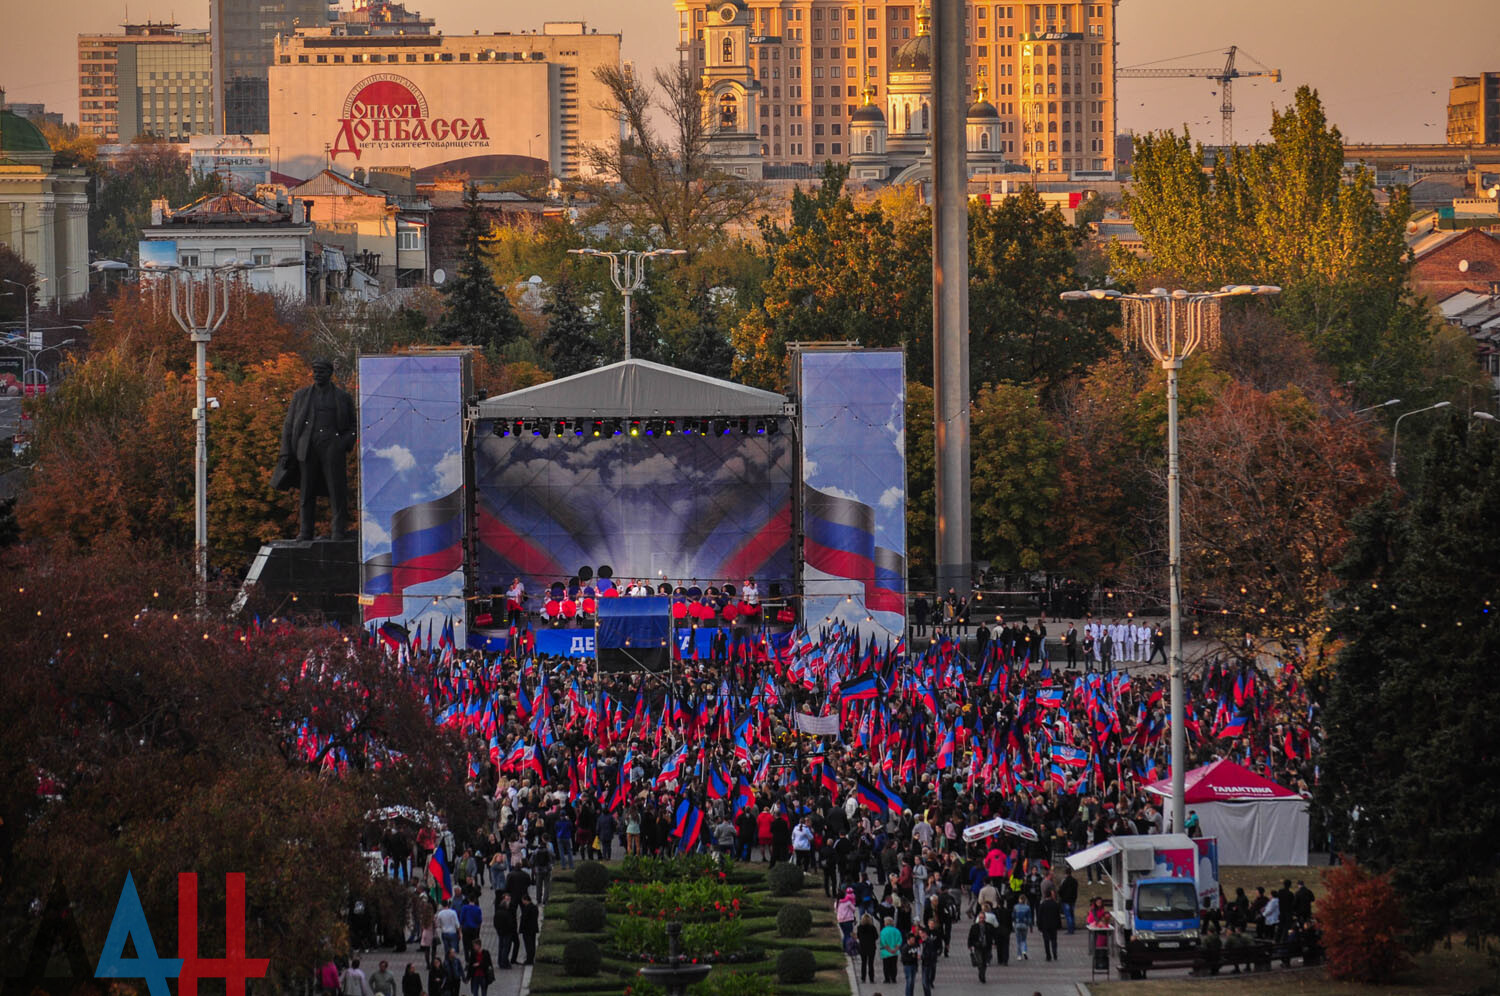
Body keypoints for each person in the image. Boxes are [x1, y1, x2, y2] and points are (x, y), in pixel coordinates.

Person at [277, 358, 357, 541]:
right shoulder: (301, 396)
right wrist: (286, 451)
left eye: (321, 372)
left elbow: (354, 424)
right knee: (307, 490)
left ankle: (338, 530)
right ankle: (306, 531)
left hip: (332, 447)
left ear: (330, 374)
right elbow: (288, 426)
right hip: (308, 448)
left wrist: (343, 443)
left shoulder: (342, 397)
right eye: (315, 371)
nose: (317, 375)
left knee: (337, 490)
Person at [966, 910, 992, 983]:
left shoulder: (989, 926)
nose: (981, 919)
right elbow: (970, 936)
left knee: (985, 961)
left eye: (983, 918)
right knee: (980, 961)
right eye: (980, 918)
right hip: (977, 946)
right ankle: (982, 975)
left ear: (985, 918)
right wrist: (970, 945)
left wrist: (993, 942)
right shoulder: (974, 927)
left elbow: (992, 935)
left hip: (986, 946)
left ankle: (982, 973)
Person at [492, 893, 516, 970]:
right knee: (506, 947)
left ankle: (500, 961)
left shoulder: (497, 912)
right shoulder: (507, 913)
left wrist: (498, 930)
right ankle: (504, 962)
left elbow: (495, 923)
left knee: (501, 947)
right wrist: (510, 930)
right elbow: (510, 923)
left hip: (500, 932)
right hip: (507, 933)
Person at [920, 918, 943, 996]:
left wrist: (940, 949)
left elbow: (939, 940)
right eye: (930, 923)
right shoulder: (926, 931)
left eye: (933, 923)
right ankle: (927, 981)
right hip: (927, 954)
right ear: (928, 924)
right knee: (927, 969)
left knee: (933, 968)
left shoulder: (937, 932)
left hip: (934, 952)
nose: (932, 925)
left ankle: (931, 981)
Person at [1036, 892, 1062, 961]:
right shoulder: (1055, 904)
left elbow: (1039, 917)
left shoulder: (1042, 905)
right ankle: (1054, 953)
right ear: (1051, 896)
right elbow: (1058, 916)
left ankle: (1048, 955)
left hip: (1045, 926)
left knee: (1046, 941)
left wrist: (1039, 926)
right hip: (1053, 925)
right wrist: (1059, 925)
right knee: (1054, 940)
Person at [856, 912, 880, 983]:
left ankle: (863, 978)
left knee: (863, 963)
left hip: (862, 947)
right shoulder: (872, 928)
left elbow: (858, 936)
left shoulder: (859, 927)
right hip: (871, 947)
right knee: (871, 963)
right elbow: (876, 937)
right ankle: (871, 978)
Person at [878, 915, 902, 984]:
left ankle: (887, 979)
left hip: (886, 952)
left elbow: (883, 942)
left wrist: (889, 949)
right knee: (894, 965)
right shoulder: (896, 930)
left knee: (886, 966)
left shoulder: (883, 931)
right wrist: (895, 949)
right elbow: (899, 940)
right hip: (895, 952)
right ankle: (893, 978)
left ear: (886, 923)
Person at [518, 894, 539, 965]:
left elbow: (524, 920)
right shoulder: (534, 907)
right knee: (532, 944)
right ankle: (531, 959)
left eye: (523, 901)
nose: (522, 902)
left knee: (528, 945)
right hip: (533, 929)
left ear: (525, 900)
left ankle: (529, 960)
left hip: (527, 930)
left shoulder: (527, 908)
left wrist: (520, 930)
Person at [900, 925, 921, 996]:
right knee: (909, 981)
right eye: (912, 940)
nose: (913, 941)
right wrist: (912, 958)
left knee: (912, 982)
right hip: (908, 966)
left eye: (914, 939)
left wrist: (918, 957)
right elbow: (903, 959)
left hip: (914, 966)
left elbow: (918, 952)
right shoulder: (905, 948)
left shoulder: (915, 945)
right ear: (908, 940)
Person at [1012, 893, 1033, 961]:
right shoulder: (1027, 907)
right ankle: (1024, 950)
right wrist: (1030, 927)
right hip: (1025, 924)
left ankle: (1019, 955)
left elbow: (1013, 916)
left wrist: (1014, 923)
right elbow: (1030, 918)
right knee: (1024, 939)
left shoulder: (1015, 907)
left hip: (1017, 924)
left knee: (1018, 941)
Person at [1058, 866, 1079, 934]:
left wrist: (1061, 897)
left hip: (1066, 900)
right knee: (1072, 914)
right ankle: (1073, 927)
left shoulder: (1064, 881)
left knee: (1068, 915)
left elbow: (1060, 890)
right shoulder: (1074, 881)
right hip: (1072, 900)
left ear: (1065, 873)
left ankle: (1070, 929)